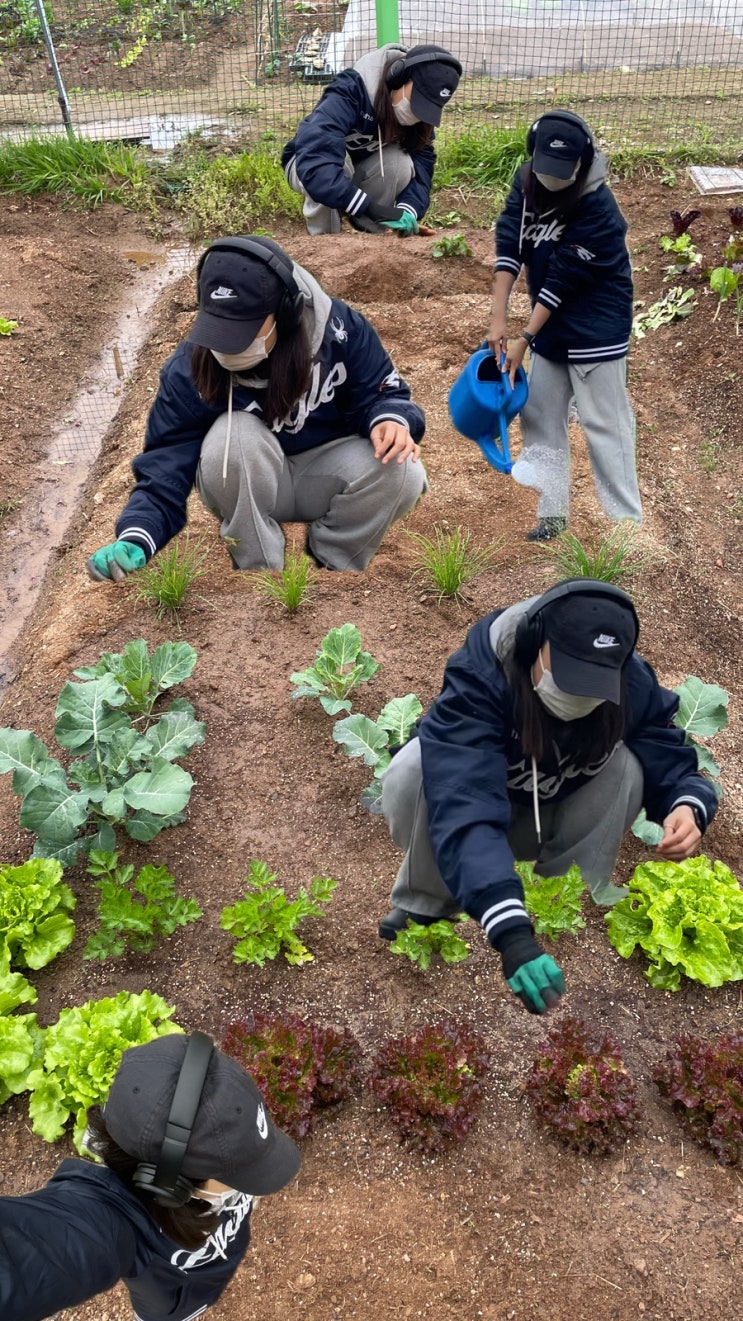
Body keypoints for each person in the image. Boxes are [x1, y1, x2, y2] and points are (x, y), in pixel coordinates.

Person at [378, 579, 718, 1015]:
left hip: (552, 807)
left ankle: (557, 901)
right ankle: (428, 902)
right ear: (534, 643)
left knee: (630, 766)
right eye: (570, 675)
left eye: (593, 685)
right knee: (418, 766)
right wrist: (511, 934)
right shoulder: (484, 673)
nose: (578, 695)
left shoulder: (630, 681)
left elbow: (661, 745)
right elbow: (464, 801)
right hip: (482, 806)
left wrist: (687, 802)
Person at [87, 236, 427, 578]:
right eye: (219, 328)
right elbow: (167, 463)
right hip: (247, 482)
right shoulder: (188, 366)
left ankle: (335, 568)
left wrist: (390, 419)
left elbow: (383, 393)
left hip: (326, 475)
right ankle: (260, 572)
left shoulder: (340, 330)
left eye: (244, 330)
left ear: (286, 312)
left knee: (403, 468)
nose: (228, 347)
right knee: (234, 435)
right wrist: (138, 534)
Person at [0, 1031, 301, 1321]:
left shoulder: (215, 1122)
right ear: (171, 1186)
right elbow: (29, 1252)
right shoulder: (111, 1223)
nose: (246, 1188)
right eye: (236, 1175)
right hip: (171, 1306)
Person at [487, 110, 642, 542]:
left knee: (604, 425)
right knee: (539, 416)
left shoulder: (599, 206)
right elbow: (509, 245)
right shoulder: (527, 185)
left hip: (596, 326)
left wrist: (524, 338)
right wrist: (498, 319)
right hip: (551, 326)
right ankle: (552, 515)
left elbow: (562, 279)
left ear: (582, 163)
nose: (553, 178)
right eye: (546, 167)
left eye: (563, 170)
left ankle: (626, 529)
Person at [282, 43, 462, 236]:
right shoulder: (351, 89)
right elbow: (317, 157)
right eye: (417, 100)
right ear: (399, 77)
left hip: (361, 169)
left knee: (400, 163)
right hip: (304, 163)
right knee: (332, 168)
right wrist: (368, 207)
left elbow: (422, 164)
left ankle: (372, 233)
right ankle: (324, 240)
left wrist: (408, 209)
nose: (417, 113)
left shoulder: (420, 118)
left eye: (425, 106)